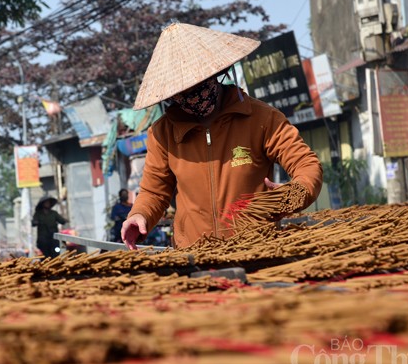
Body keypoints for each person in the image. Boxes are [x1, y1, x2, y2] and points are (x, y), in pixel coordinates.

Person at [121, 21, 323, 250]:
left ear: (215, 74)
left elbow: (306, 164)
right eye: (182, 94)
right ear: (172, 95)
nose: (192, 97)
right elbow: (153, 191)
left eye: (197, 87)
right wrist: (140, 215)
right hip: (194, 256)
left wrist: (294, 194)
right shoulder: (162, 133)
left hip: (258, 249)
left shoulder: (261, 118)